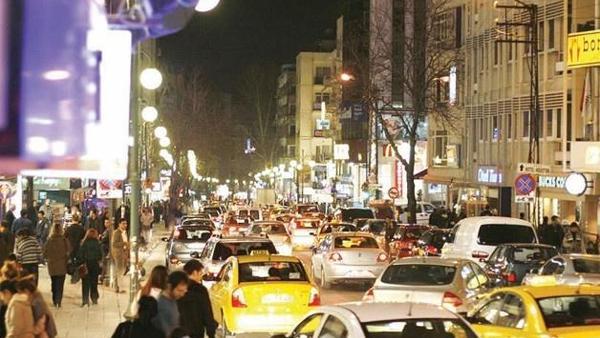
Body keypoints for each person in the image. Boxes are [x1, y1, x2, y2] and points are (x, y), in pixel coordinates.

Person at [178, 260, 217, 338]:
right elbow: (207, 313)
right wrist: (211, 333)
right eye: (200, 273)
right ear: (195, 272)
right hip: (196, 331)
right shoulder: (200, 290)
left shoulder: (177, 288)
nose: (201, 276)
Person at [153, 271, 189, 337]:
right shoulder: (162, 307)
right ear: (169, 286)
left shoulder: (173, 300)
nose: (182, 294)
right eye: (179, 291)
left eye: (184, 291)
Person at [43, 222, 70, 308]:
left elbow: (44, 253)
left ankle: (55, 299)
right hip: (62, 264)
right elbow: (69, 250)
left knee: (54, 282)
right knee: (60, 283)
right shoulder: (64, 240)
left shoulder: (49, 241)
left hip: (52, 265)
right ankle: (59, 300)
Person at [78, 228, 103, 306]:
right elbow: (100, 255)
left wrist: (81, 262)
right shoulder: (98, 243)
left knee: (85, 283)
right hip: (95, 265)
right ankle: (94, 298)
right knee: (94, 282)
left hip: (86, 265)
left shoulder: (84, 243)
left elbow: (80, 255)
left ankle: (85, 300)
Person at [111, 218, 129, 293]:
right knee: (119, 271)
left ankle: (117, 287)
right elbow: (114, 243)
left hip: (124, 253)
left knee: (122, 270)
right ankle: (119, 287)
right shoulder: (116, 233)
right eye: (123, 223)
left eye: (126, 223)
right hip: (118, 254)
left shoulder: (125, 232)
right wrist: (124, 243)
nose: (125, 225)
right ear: (119, 224)